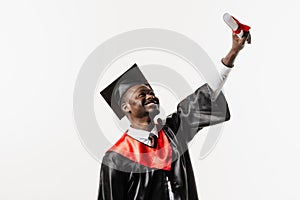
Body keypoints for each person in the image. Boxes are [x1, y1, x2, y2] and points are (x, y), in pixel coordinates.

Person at [98, 32, 250, 200]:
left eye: (151, 92)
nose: (150, 95)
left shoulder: (174, 131)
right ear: (125, 107)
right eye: (142, 94)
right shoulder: (117, 158)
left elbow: (207, 95)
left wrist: (232, 53)